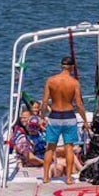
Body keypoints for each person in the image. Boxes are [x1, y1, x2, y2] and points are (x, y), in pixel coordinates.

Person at [41, 56, 91, 184]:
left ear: (61, 66)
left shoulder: (51, 81)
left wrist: (42, 117)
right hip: (69, 116)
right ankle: (68, 178)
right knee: (69, 147)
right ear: (72, 67)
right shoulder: (74, 83)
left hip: (55, 116)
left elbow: (45, 101)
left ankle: (46, 177)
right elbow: (79, 104)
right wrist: (85, 121)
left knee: (50, 147)